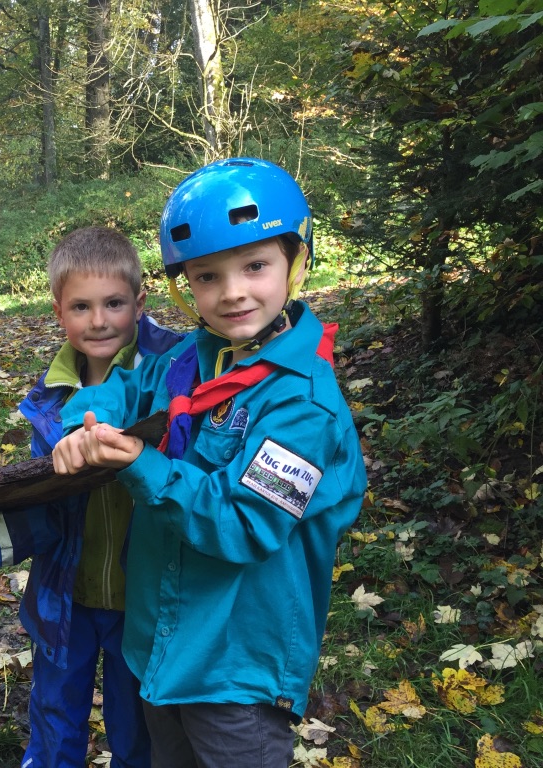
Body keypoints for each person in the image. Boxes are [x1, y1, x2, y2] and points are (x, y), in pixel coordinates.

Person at [51, 158, 368, 767]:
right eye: (207, 276)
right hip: (162, 650)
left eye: (255, 266)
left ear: (295, 261)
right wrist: (83, 425)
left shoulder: (303, 405)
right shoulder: (189, 361)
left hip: (235, 667)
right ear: (185, 286)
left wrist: (139, 464)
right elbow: (123, 390)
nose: (232, 292)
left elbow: (245, 524)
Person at [0, 226, 183, 767]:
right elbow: (46, 507)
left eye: (114, 303)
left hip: (145, 599)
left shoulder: (173, 374)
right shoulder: (50, 400)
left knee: (137, 728)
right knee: (56, 715)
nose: (98, 320)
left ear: (140, 301)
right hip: (65, 593)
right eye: (81, 306)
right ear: (58, 311)